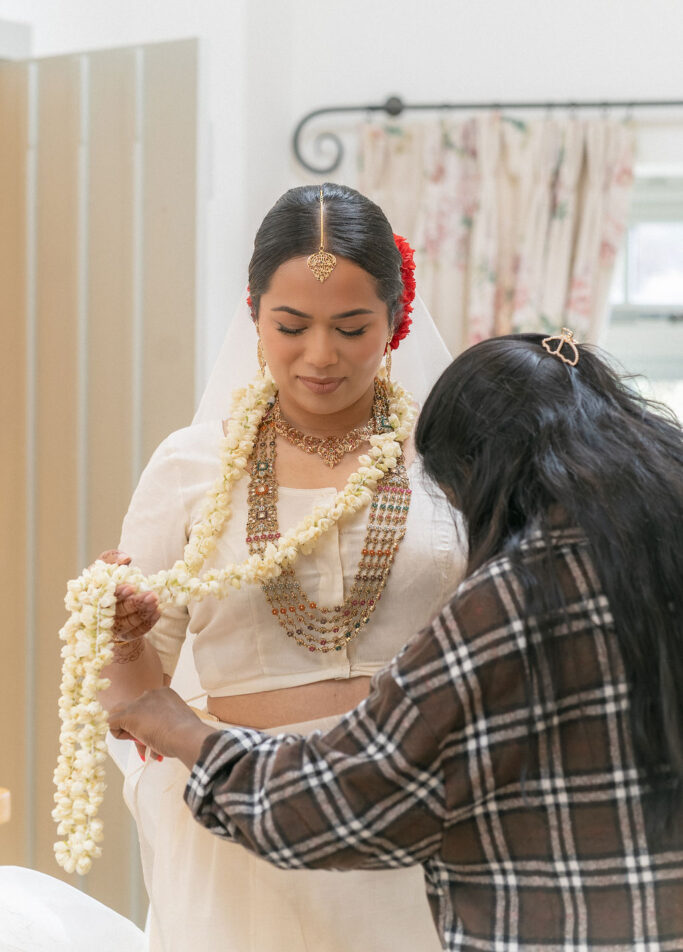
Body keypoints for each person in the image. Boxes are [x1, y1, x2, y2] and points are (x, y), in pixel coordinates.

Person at [110, 331, 683, 951]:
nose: (322, 352)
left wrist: (180, 730)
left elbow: (342, 802)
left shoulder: (513, 601)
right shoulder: (653, 550)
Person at [99, 184, 466, 951]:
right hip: (240, 827)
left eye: (351, 327)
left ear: (395, 320)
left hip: (416, 821)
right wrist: (120, 632)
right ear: (255, 316)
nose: (320, 355)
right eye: (291, 326)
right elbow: (134, 699)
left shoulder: (451, 462)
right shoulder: (191, 467)